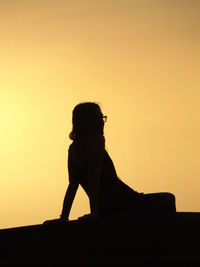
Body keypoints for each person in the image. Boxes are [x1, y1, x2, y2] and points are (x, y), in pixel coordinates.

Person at [60, 102, 176, 221]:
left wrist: (64, 217)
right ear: (86, 123)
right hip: (123, 201)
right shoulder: (96, 142)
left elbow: (73, 185)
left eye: (102, 118)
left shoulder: (72, 150)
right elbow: (93, 180)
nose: (101, 122)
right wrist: (94, 213)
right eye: (96, 118)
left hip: (109, 205)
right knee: (168, 199)